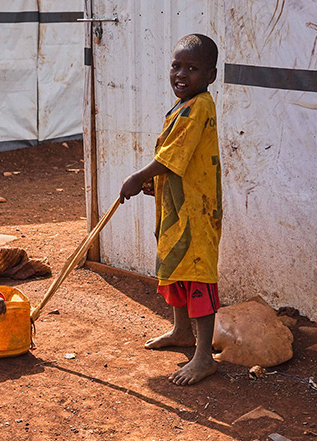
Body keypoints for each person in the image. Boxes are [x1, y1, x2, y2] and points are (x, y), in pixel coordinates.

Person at [119, 33, 222, 386]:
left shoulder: (201, 106)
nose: (182, 74)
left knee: (198, 274)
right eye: (177, 66)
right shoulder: (183, 104)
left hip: (196, 210)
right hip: (178, 206)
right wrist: (154, 183)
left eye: (192, 68)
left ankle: (204, 356)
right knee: (175, 264)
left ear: (211, 75)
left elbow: (173, 154)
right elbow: (176, 158)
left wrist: (139, 176)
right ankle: (181, 332)